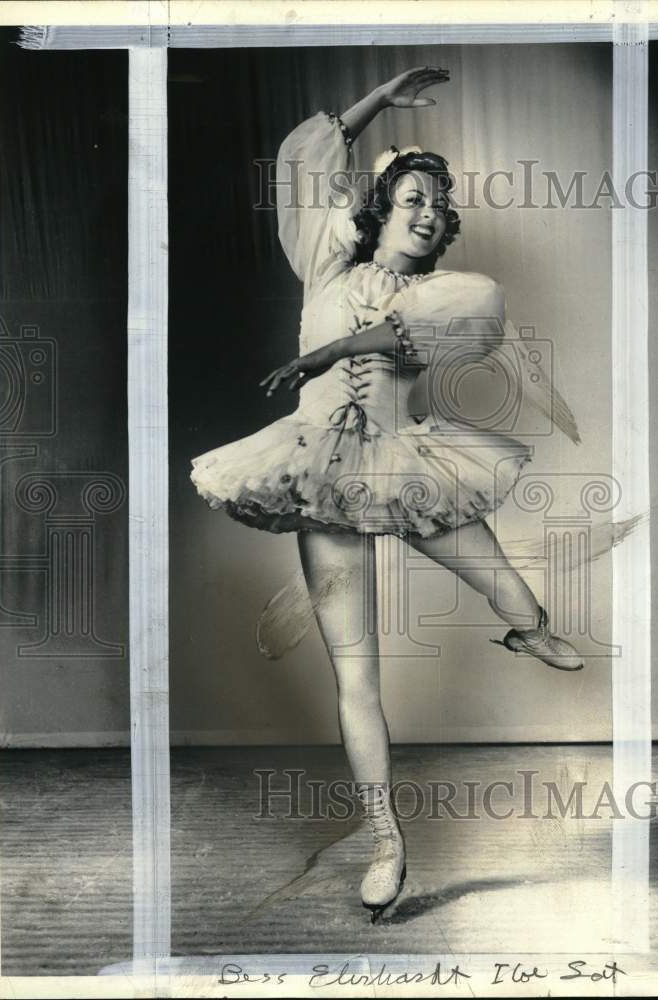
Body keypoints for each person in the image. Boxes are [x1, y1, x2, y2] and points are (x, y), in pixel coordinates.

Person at [190, 66, 583, 923]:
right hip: (320, 470)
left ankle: (529, 629)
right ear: (378, 207)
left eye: (436, 204)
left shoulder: (439, 294)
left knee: (509, 589)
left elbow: (471, 311)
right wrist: (377, 106)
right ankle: (384, 840)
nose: (426, 212)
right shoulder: (330, 265)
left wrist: (328, 356)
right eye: (409, 198)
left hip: (407, 465)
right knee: (355, 671)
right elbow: (312, 161)